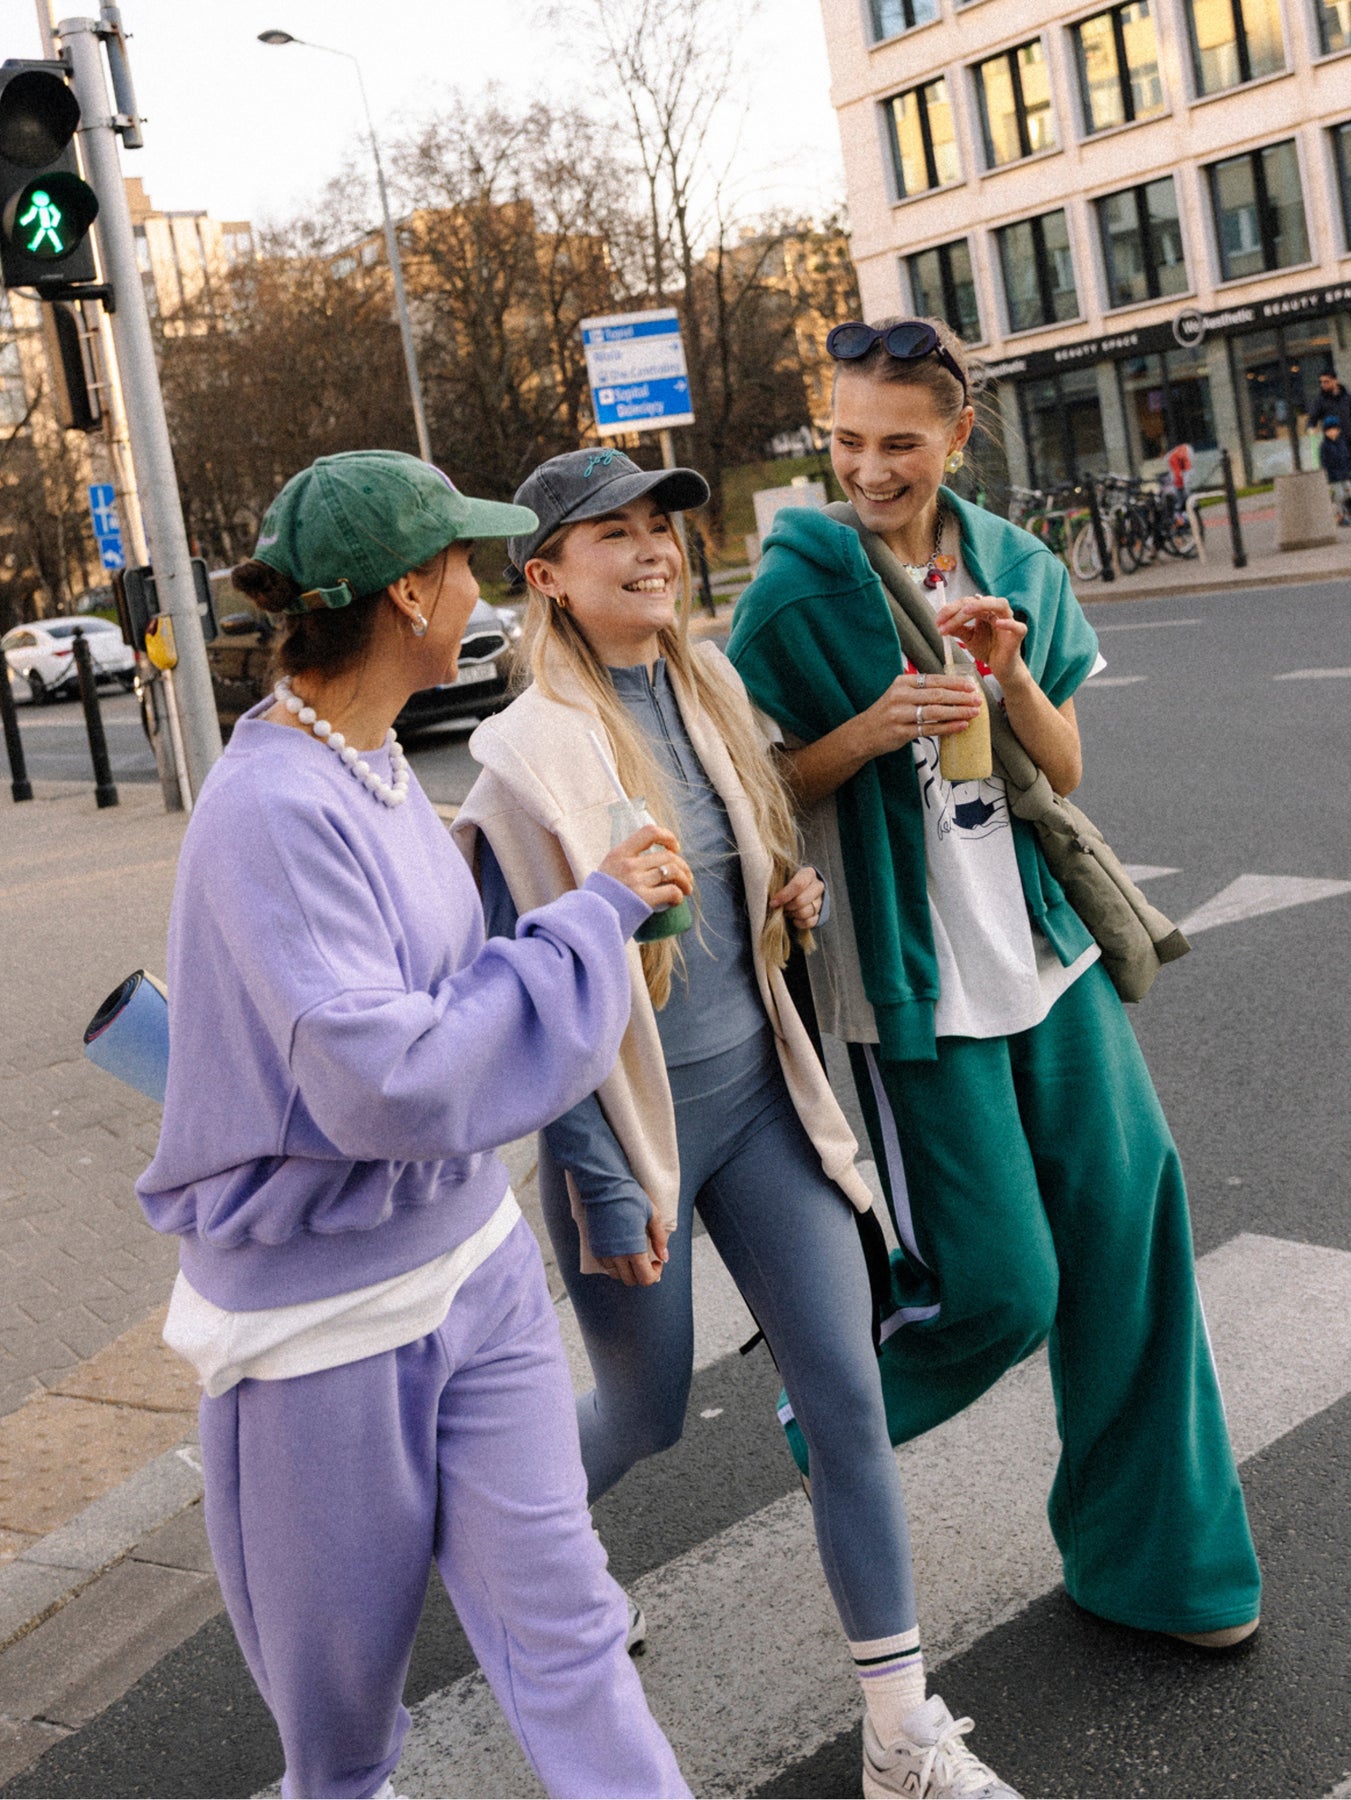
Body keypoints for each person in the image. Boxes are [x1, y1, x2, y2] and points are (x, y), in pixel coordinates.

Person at [454, 447, 1018, 1800]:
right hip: (629, 1139)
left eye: (660, 527)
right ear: (547, 576)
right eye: (613, 535)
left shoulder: (706, 689)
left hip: (763, 1103)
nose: (652, 549)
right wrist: (600, 1185)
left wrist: (778, 900)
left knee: (845, 1400)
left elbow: (727, 880)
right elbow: (522, 1002)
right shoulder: (521, 757)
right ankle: (499, 1547)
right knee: (644, 1414)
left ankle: (899, 1734)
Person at [135, 450, 690, 1800]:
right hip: (324, 1326)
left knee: (570, 1636)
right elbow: (387, 1080)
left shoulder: (374, 759)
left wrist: (579, 915)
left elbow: (441, 992)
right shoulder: (267, 808)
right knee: (340, 1740)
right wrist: (590, 922)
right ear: (404, 596)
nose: (478, 591)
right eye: (459, 566)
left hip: (475, 1268)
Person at [727, 317, 1262, 1656]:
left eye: (897, 443)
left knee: (1130, 1243)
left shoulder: (1016, 564)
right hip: (913, 986)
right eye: (846, 440)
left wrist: (1009, 672)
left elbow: (1061, 769)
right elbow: (750, 794)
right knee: (1001, 1287)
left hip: (1042, 955)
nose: (868, 468)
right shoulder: (793, 594)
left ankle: (1161, 1571)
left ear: (956, 437)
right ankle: (833, 1409)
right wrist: (868, 731)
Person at [1318, 414, 1351, 524]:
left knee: (1348, 492)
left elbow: (1346, 457)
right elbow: (1324, 462)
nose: (1332, 432)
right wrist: (1326, 474)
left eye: (1335, 429)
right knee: (1339, 496)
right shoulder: (1324, 446)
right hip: (1333, 476)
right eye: (1329, 430)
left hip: (1344, 474)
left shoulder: (1342, 443)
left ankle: (1346, 512)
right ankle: (1340, 516)